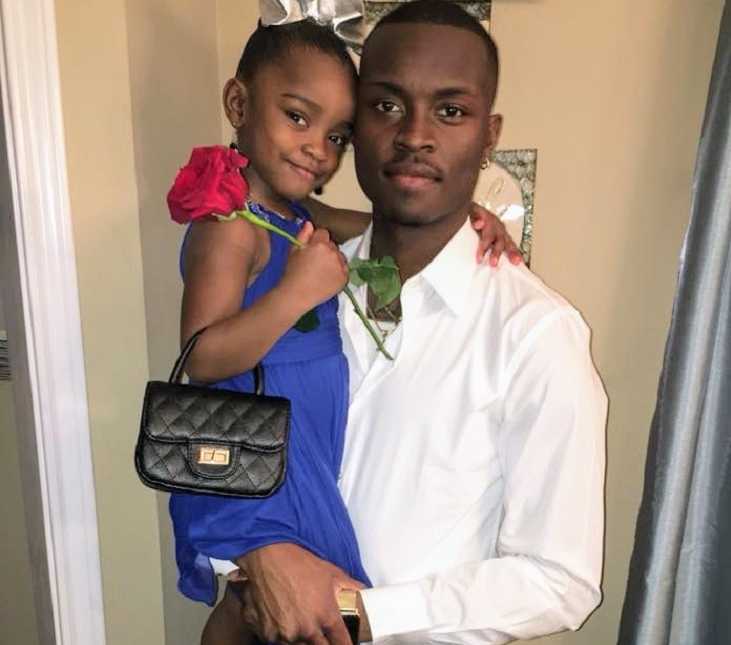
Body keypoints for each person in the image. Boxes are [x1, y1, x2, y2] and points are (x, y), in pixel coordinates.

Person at [232, 2, 608, 644]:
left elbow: (561, 578)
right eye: (386, 105)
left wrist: (361, 613)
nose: (414, 135)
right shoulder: (290, 281)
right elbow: (221, 431)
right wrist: (256, 553)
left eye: (451, 111)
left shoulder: (534, 333)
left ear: (489, 136)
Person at [167, 14, 520, 645]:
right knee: (296, 608)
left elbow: (373, 221)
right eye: (298, 118)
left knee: (292, 608)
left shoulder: (295, 212)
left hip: (304, 446)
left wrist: (465, 213)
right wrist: (296, 293)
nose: (317, 150)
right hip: (271, 441)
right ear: (238, 102)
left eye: (337, 136)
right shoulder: (229, 227)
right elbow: (204, 357)